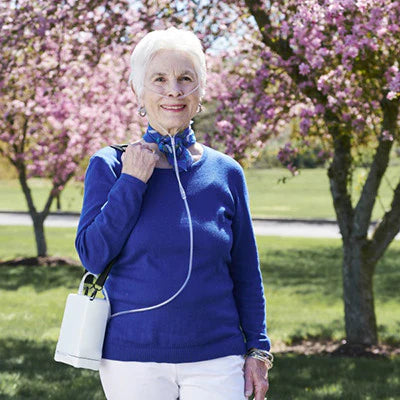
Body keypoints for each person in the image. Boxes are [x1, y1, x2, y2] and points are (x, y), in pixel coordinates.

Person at [75, 27, 272, 400]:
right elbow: (93, 254)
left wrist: (258, 350)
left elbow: (247, 270)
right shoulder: (110, 165)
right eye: (160, 79)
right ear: (138, 91)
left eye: (186, 79)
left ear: (201, 92)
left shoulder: (226, 171)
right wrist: (132, 181)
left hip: (218, 356)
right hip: (132, 359)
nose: (174, 91)